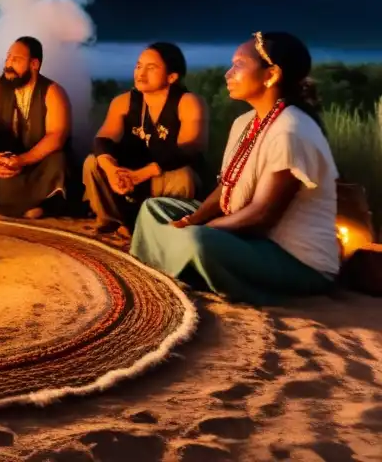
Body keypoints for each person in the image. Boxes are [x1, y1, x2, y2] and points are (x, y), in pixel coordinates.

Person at [131, 32, 340, 306]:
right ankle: (176, 262)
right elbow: (226, 187)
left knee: (199, 241)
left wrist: (205, 228)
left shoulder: (291, 130)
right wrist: (192, 219)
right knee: (154, 209)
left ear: (271, 75)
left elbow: (262, 215)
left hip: (292, 259)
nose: (228, 74)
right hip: (246, 237)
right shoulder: (245, 122)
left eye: (239, 65)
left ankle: (178, 263)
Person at [83, 43, 208, 235]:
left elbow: (189, 148)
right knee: (93, 162)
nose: (141, 73)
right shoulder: (123, 102)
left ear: (172, 77)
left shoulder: (188, 102)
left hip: (163, 176)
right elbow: (103, 139)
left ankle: (168, 228)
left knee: (184, 176)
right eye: (139, 66)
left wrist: (142, 174)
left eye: (151, 68)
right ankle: (116, 221)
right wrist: (111, 170)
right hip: (131, 177)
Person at [0, 36, 72, 218]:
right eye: (7, 58)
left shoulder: (52, 92)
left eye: (15, 59)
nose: (8, 64)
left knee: (59, 159)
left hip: (35, 165)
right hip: (1, 164)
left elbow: (57, 135)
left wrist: (23, 160)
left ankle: (41, 207)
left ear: (34, 64)